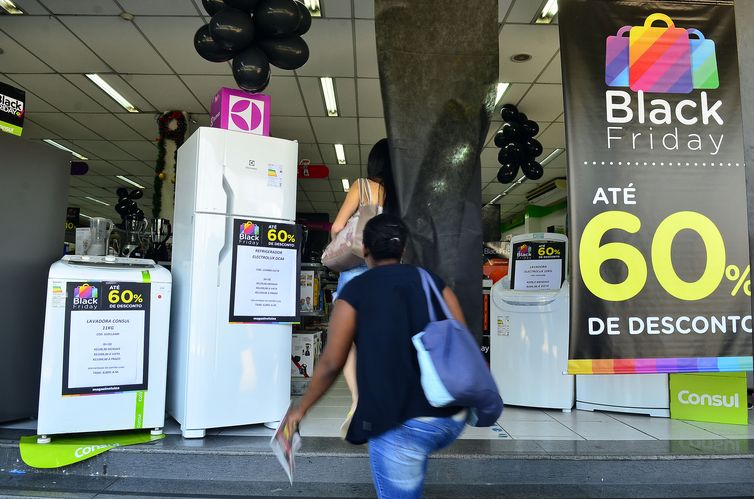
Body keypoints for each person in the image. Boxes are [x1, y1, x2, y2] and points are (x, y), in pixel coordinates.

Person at [288, 214, 467, 499]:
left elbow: (333, 362)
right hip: (447, 418)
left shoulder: (355, 291)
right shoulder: (433, 282)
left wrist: (301, 409)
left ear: (364, 250)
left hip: (398, 422)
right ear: (404, 249)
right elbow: (462, 339)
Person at [329, 137, 397, 435]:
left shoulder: (363, 186)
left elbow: (336, 227)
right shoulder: (404, 194)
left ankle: (359, 399)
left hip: (356, 273)